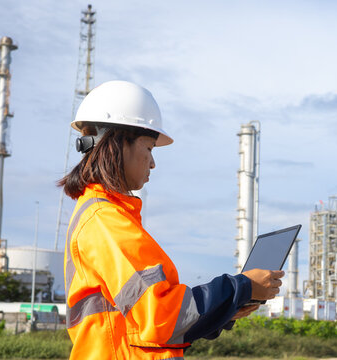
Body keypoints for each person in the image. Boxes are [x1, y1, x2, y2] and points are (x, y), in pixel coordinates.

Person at [59, 80, 284, 359]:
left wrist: (227, 309)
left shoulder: (104, 216)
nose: (153, 162)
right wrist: (243, 287)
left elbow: (150, 326)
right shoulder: (105, 220)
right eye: (150, 148)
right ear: (117, 144)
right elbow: (162, 316)